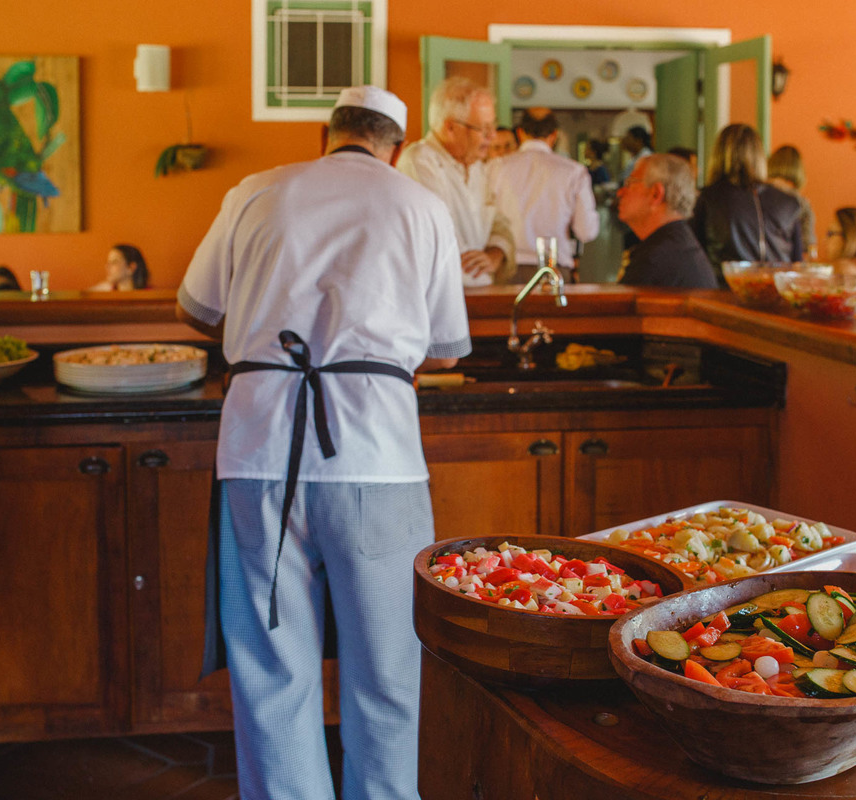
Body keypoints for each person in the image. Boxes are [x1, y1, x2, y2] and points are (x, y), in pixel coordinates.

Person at [175, 85, 470, 800]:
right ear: (396, 147)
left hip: (259, 448)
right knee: (389, 665)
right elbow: (447, 348)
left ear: (326, 134)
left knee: (272, 663)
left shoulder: (255, 190)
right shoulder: (422, 205)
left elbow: (194, 307)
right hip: (378, 455)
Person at [397, 76, 515, 287]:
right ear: (451, 127)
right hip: (442, 293)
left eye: (493, 126)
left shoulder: (477, 167)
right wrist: (481, 275)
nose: (492, 136)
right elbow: (442, 241)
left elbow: (498, 223)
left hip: (477, 291)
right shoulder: (420, 161)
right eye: (483, 128)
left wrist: (495, 254)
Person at [488, 107, 599, 283]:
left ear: (520, 133)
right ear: (554, 135)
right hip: (554, 267)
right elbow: (587, 231)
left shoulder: (497, 168)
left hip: (507, 266)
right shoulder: (573, 172)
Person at [692, 123, 803, 285]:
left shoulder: (707, 198)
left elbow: (695, 258)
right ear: (760, 155)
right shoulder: (788, 201)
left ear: (718, 155)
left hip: (724, 292)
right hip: (777, 291)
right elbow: (797, 261)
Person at [615, 154, 718, 289]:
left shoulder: (655, 259)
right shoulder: (676, 244)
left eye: (629, 183)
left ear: (656, 194)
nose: (620, 192)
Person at [767, 145, 818, 259]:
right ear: (799, 170)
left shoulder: (755, 195)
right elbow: (809, 248)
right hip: (786, 264)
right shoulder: (801, 204)